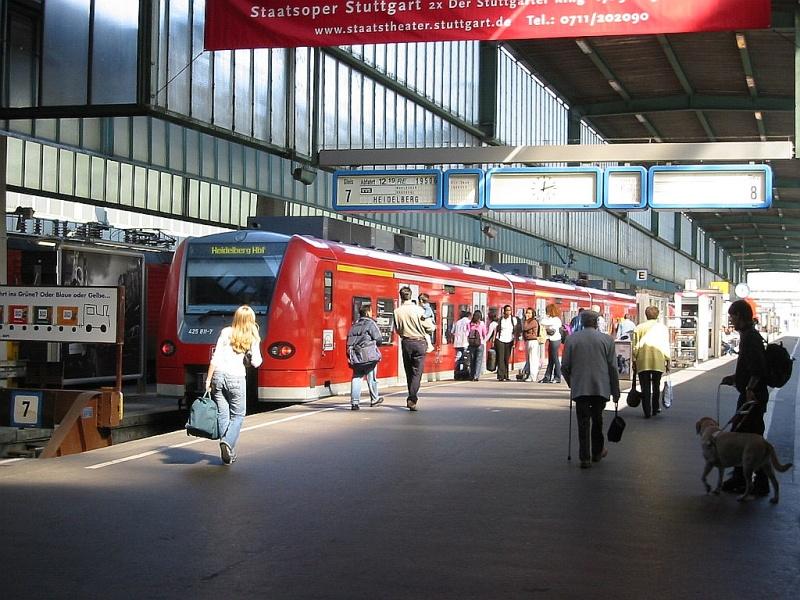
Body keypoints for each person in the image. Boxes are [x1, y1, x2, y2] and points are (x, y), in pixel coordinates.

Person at [720, 299, 769, 495]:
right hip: (751, 395)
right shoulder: (749, 336)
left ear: (740, 316)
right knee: (744, 438)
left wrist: (749, 387)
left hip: (752, 398)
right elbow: (749, 368)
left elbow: (758, 368)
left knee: (747, 439)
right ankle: (742, 478)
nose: (731, 320)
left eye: (732, 316)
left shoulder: (750, 338)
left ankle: (756, 482)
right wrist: (735, 378)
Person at [561, 310, 621, 468]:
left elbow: (565, 367)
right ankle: (597, 452)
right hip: (600, 387)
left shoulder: (571, 339)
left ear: (582, 321)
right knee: (597, 420)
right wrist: (616, 391)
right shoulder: (607, 340)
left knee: (583, 422)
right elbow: (613, 368)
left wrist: (571, 383)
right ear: (596, 322)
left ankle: (584, 458)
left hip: (580, 388)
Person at [205, 305, 263, 465]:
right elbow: (257, 363)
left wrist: (208, 380)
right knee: (238, 415)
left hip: (218, 377)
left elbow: (215, 358)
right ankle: (227, 443)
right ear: (251, 320)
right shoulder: (253, 337)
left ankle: (228, 451)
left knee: (223, 415)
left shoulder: (225, 332)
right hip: (236, 378)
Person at [394, 286, 435, 411]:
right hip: (419, 342)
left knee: (409, 371)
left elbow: (397, 329)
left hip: (406, 342)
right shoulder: (419, 310)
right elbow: (430, 327)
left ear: (401, 297)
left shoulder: (397, 311)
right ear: (410, 296)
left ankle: (411, 395)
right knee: (417, 373)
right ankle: (412, 398)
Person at [631, 306, 670, 419]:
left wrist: (634, 359)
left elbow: (635, 346)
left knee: (645, 387)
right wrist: (668, 360)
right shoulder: (663, 328)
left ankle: (647, 411)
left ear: (646, 315)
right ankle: (655, 408)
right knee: (656, 386)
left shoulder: (639, 328)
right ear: (658, 315)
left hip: (643, 360)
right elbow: (665, 345)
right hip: (658, 360)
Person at [346, 305, 384, 411]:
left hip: (356, 356)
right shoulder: (371, 323)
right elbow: (379, 338)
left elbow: (348, 341)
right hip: (368, 355)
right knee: (371, 377)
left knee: (356, 377)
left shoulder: (354, 325)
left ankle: (354, 403)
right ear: (368, 313)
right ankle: (374, 399)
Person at [539, 303, 563, 383]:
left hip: (555, 340)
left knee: (555, 358)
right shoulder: (553, 319)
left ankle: (557, 377)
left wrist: (545, 317)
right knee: (551, 359)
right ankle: (547, 376)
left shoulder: (555, 320)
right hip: (552, 340)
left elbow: (543, 322)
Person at [494, 304, 519, 381]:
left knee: (506, 358)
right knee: (500, 358)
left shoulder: (513, 320)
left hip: (509, 340)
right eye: (507, 310)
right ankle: (500, 376)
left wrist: (515, 341)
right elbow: (496, 330)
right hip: (500, 340)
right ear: (504, 311)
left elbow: (516, 331)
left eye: (510, 310)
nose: (509, 312)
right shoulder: (500, 319)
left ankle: (506, 375)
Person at [518, 307, 541, 382]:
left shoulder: (533, 322)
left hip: (533, 341)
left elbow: (525, 328)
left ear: (533, 314)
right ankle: (529, 375)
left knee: (533, 359)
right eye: (527, 312)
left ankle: (533, 376)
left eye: (529, 313)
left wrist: (526, 320)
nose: (527, 314)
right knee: (529, 359)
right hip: (528, 341)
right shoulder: (528, 321)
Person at [467, 310, 488, 381]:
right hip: (480, 344)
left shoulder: (470, 323)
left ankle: (471, 375)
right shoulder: (481, 323)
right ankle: (476, 376)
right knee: (478, 361)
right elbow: (484, 333)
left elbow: (467, 333)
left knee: (472, 360)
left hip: (471, 344)